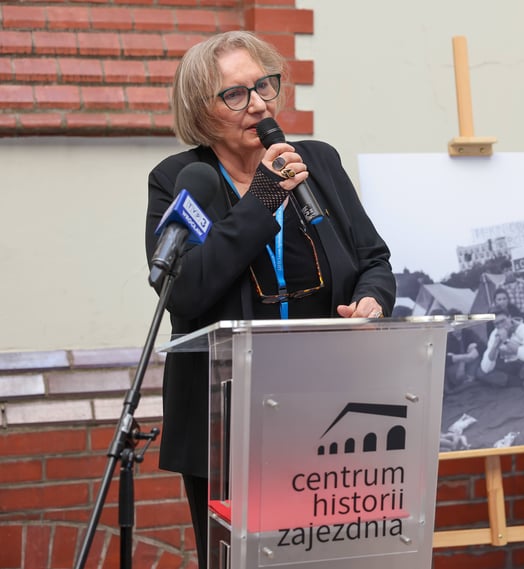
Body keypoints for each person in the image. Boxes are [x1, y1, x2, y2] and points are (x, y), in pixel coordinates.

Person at [144, 31, 396, 569]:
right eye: (236, 94)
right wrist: (262, 198)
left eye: (264, 85)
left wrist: (372, 304)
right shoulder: (180, 179)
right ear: (200, 110)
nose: (259, 103)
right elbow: (185, 289)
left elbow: (373, 260)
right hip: (225, 418)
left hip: (327, 412)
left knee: (327, 558)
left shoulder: (319, 164)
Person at [479, 308, 524, 387]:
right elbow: (486, 368)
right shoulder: (494, 333)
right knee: (481, 373)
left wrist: (506, 341)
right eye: (496, 324)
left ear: (510, 317)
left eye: (502, 321)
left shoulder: (523, 329)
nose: (500, 325)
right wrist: (495, 346)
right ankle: (522, 383)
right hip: (506, 365)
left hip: (522, 365)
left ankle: (509, 382)